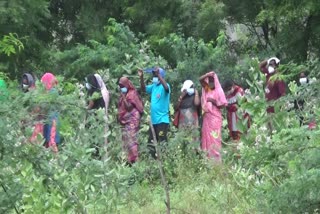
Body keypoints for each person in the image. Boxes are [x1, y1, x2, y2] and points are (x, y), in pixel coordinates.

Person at [138, 67, 170, 159]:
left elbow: (167, 88)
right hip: (154, 121)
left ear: (161, 76)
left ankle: (166, 161)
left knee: (162, 142)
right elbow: (143, 89)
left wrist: (158, 75)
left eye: (155, 76)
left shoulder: (165, 86)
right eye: (154, 76)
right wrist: (141, 77)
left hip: (162, 120)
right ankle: (154, 162)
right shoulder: (153, 87)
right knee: (151, 144)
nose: (154, 78)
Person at [199, 71, 227, 162]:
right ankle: (207, 159)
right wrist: (207, 74)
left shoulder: (219, 91)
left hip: (215, 118)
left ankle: (216, 161)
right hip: (207, 118)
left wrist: (213, 101)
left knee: (215, 138)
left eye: (212, 81)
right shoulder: (207, 89)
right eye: (209, 81)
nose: (210, 83)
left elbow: (223, 104)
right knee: (206, 138)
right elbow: (200, 80)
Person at [118, 76, 144, 164]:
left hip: (132, 120)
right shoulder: (124, 94)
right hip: (126, 121)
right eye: (120, 86)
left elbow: (129, 107)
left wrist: (123, 97)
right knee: (126, 140)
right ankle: (128, 161)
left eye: (123, 86)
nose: (122, 88)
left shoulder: (132, 93)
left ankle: (135, 161)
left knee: (132, 139)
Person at [85, 74, 110, 157]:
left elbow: (90, 105)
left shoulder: (93, 92)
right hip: (100, 116)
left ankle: (94, 153)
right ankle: (98, 153)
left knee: (93, 136)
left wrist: (84, 109)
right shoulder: (100, 91)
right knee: (99, 136)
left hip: (94, 117)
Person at [40, 72, 60, 153]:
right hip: (49, 119)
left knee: (52, 141)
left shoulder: (52, 91)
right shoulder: (50, 91)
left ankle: (56, 161)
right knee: (47, 140)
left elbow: (46, 106)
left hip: (51, 119)